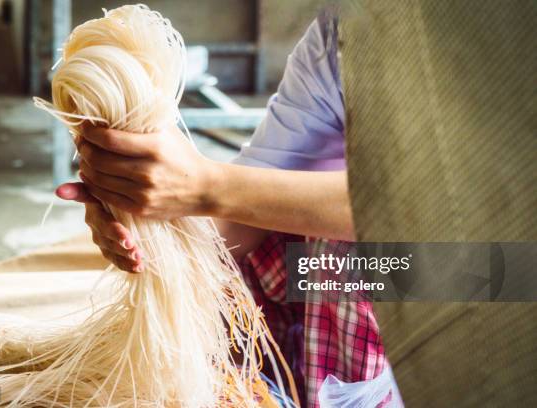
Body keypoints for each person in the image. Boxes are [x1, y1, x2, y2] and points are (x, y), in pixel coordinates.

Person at [57, 11, 400, 408]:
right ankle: (279, 384)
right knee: (257, 240)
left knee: (350, 263)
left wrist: (206, 185)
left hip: (480, 279)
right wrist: (150, 215)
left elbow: (428, 210)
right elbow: (247, 204)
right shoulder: (346, 31)